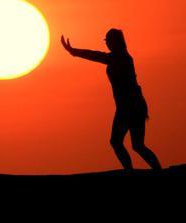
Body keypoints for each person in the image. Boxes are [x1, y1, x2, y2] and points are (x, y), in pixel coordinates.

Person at [60, 29, 162, 171]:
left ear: (116, 41)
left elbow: (96, 56)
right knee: (135, 145)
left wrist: (74, 51)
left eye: (108, 40)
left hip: (130, 106)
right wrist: (74, 52)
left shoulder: (121, 58)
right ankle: (153, 170)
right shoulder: (119, 57)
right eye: (106, 40)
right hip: (131, 105)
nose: (107, 43)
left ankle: (138, 171)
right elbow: (99, 56)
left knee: (120, 142)